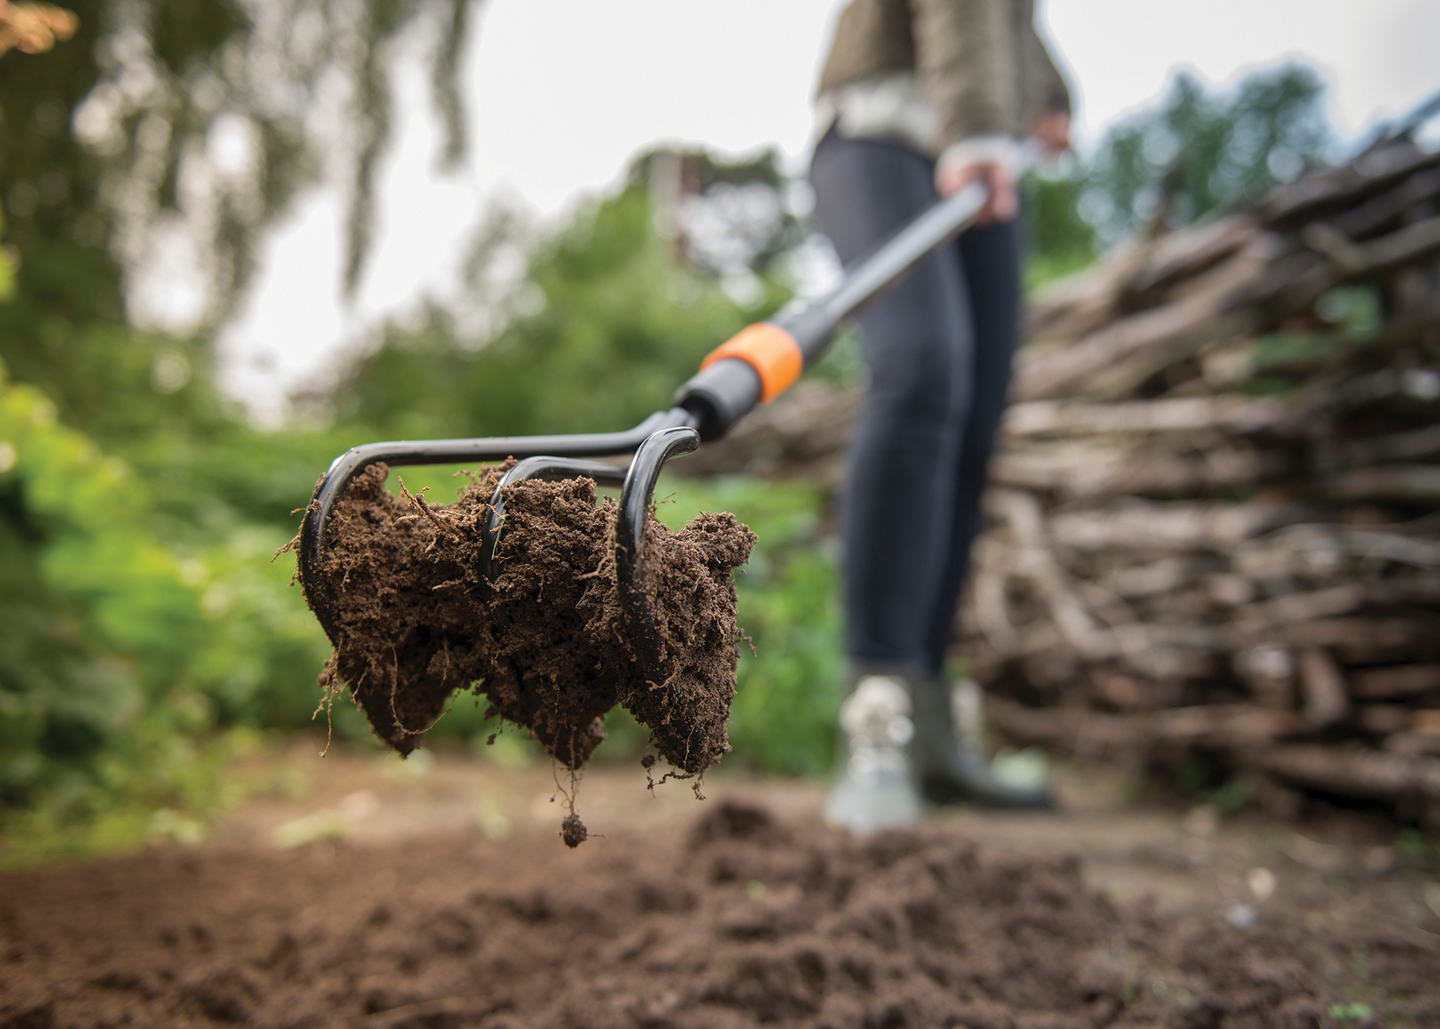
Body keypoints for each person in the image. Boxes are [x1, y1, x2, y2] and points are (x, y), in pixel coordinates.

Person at [808, 0, 1072, 829]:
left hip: (983, 137)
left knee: (974, 419)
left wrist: (1050, 92)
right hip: (885, 134)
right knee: (922, 370)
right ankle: (874, 721)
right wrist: (981, 123)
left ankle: (927, 727)